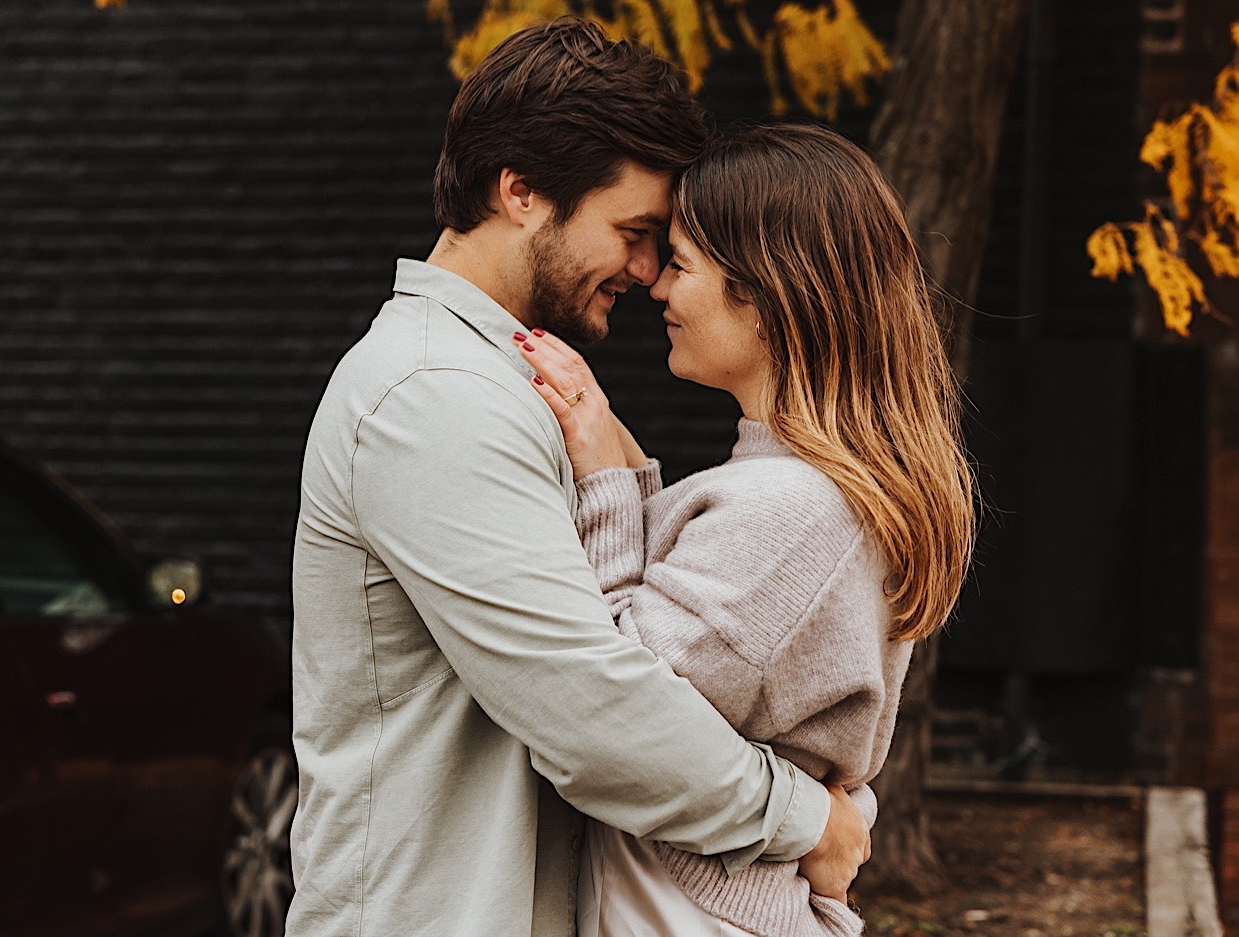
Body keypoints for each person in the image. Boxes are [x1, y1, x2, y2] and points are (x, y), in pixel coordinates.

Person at [288, 19, 872, 937]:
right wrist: (804, 822)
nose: (647, 272)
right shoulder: (434, 395)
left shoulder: (499, 381)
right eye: (633, 232)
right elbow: (591, 705)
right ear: (518, 191)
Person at [515, 122, 977, 937]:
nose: (656, 285)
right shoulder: (798, 491)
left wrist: (605, 481)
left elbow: (615, 706)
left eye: (683, 263)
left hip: (692, 910)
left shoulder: (792, 510)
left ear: (764, 295)